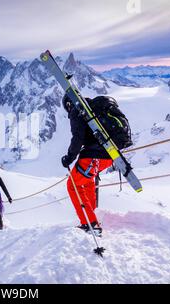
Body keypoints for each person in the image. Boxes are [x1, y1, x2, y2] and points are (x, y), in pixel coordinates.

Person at [60, 95, 113, 235]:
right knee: (87, 181)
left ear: (68, 105)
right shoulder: (93, 111)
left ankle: (90, 223)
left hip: (94, 156)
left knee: (73, 185)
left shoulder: (77, 111)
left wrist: (69, 158)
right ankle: (93, 216)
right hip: (108, 157)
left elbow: (78, 138)